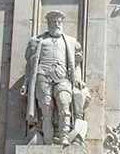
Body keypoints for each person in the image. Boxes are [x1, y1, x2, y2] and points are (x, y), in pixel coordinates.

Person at [21, 10, 84, 146]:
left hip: (63, 77)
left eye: (59, 22)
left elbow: (77, 65)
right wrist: (26, 82)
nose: (57, 24)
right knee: (46, 109)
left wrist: (77, 79)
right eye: (54, 22)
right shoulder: (37, 41)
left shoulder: (71, 42)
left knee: (64, 103)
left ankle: (64, 137)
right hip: (43, 76)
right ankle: (48, 140)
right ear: (49, 24)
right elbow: (30, 66)